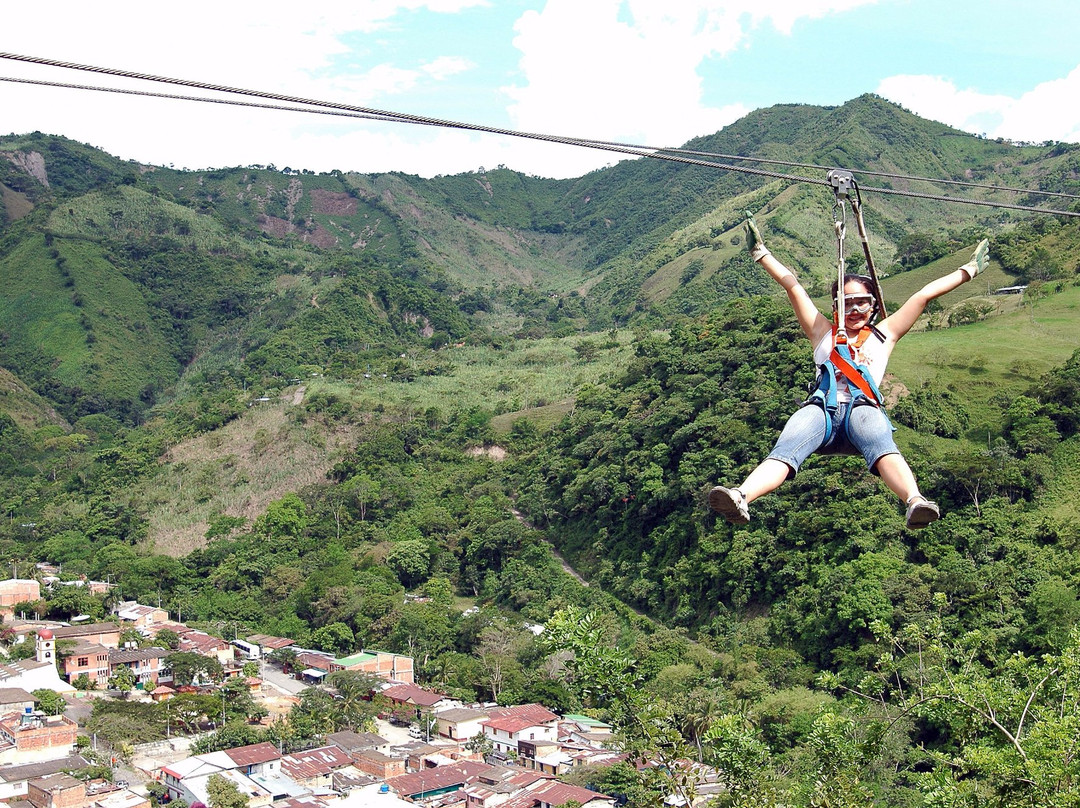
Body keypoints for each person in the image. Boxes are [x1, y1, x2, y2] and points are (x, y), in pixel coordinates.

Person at [708, 212, 989, 529]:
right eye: (847, 303)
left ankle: (915, 501)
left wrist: (968, 270)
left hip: (861, 408)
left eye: (862, 303)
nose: (854, 310)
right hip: (822, 409)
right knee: (787, 447)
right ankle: (741, 497)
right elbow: (794, 288)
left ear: (872, 307)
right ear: (835, 308)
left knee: (881, 444)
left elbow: (923, 295)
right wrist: (761, 254)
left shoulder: (885, 334)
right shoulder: (821, 332)